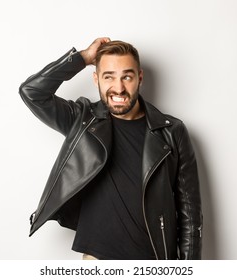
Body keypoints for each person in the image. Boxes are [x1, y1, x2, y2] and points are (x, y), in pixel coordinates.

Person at [19, 37, 202, 260]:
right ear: (96, 79)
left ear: (140, 78)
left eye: (127, 76)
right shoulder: (83, 120)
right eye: (109, 77)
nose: (119, 87)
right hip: (97, 260)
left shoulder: (172, 131)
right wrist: (82, 58)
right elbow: (32, 92)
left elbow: (190, 217)